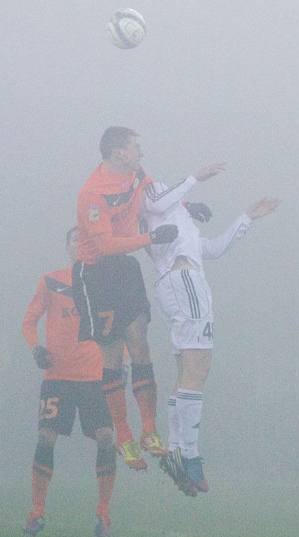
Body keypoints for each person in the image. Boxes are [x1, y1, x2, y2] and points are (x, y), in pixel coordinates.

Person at [139, 164, 280, 495]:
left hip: (178, 283)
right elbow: (158, 201)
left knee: (187, 373)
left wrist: (247, 218)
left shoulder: (176, 222)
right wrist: (195, 178)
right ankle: (189, 455)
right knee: (198, 370)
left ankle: (177, 449)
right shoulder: (151, 195)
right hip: (185, 282)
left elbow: (213, 248)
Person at [72, 126, 179, 470]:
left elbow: (157, 197)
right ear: (119, 152)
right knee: (113, 356)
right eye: (136, 147)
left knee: (140, 344)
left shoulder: (137, 175)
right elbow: (104, 246)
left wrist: (188, 206)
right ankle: (124, 434)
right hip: (96, 275)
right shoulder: (92, 193)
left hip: (125, 269)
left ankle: (149, 430)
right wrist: (151, 238)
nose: (141, 153)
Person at [21, 228, 116, 537]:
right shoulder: (51, 281)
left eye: (85, 240)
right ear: (67, 247)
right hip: (57, 377)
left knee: (107, 439)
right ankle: (37, 511)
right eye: (75, 239)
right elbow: (29, 322)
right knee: (45, 437)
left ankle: (103, 512)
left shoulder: (103, 284)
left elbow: (116, 328)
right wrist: (36, 348)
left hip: (94, 378)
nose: (80, 244)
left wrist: (122, 364)